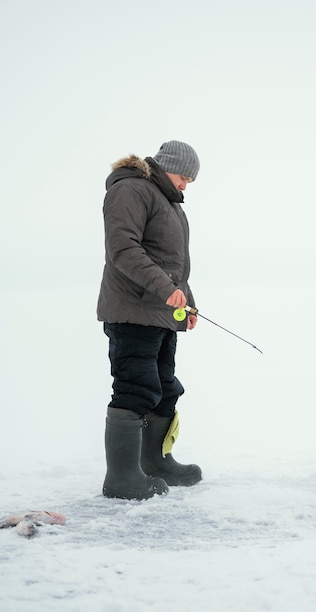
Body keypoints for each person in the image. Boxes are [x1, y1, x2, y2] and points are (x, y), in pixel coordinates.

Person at [97, 140, 202, 500]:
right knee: (135, 388)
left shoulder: (170, 204)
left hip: (161, 312)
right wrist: (164, 288)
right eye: (184, 177)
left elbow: (174, 264)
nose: (186, 185)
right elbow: (123, 250)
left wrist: (188, 303)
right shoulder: (131, 190)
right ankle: (122, 478)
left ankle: (155, 463)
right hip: (133, 310)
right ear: (165, 166)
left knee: (164, 387)